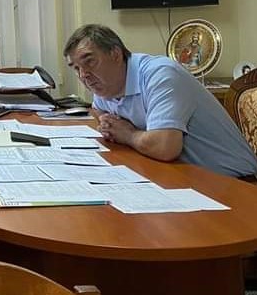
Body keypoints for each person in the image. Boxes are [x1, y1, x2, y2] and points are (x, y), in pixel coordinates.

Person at [63, 24, 257, 179]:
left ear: (115, 54)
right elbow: (98, 110)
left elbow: (165, 147)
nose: (84, 75)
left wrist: (128, 134)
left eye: (89, 61)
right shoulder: (106, 84)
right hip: (180, 176)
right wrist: (109, 123)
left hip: (235, 183)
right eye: (76, 68)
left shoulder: (160, 75)